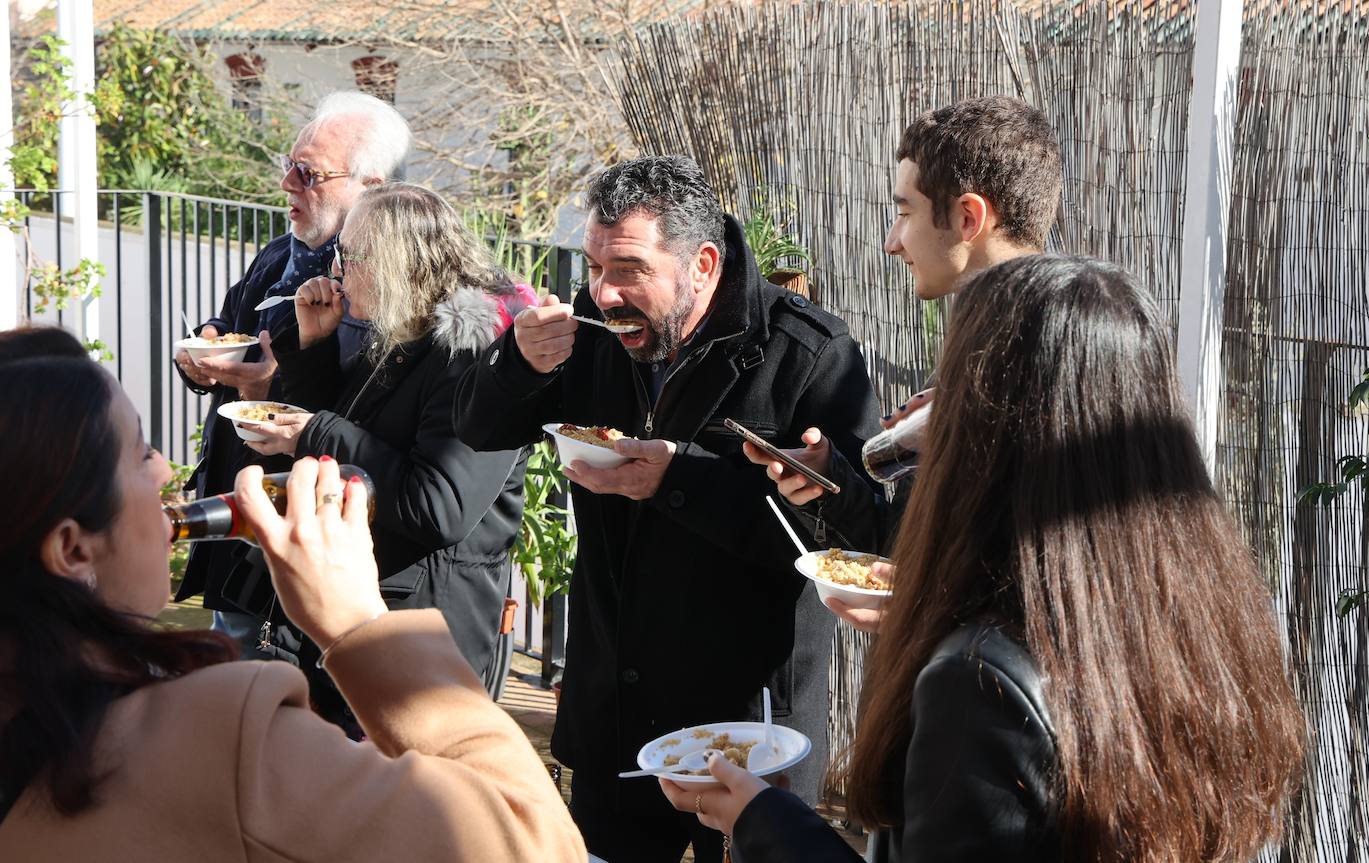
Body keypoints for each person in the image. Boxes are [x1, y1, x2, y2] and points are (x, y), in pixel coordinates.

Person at [660, 256, 1308, 862]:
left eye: (955, 390)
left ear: (989, 429)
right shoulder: (1202, 629)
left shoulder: (979, 682)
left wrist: (766, 820)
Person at [0, 326, 586, 862]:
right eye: (140, 453)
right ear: (72, 550)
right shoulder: (216, 741)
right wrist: (359, 625)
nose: (163, 475)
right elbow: (534, 844)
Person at [454, 155, 883, 862]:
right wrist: (518, 363)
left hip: (751, 729)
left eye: (627, 269)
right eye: (593, 265)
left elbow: (851, 531)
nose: (602, 292)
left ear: (703, 263)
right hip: (615, 719)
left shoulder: (806, 351)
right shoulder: (589, 327)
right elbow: (477, 429)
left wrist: (679, 480)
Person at [744, 96, 1063, 630]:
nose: (892, 242)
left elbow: (1062, 582)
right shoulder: (979, 345)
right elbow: (906, 548)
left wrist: (923, 609)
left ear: (968, 217)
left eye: (904, 213)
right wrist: (829, 487)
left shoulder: (1055, 361)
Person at [241, 183, 534, 724]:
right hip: (370, 614)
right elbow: (342, 450)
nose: (337, 269)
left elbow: (438, 505)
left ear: (396, 264)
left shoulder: (470, 352)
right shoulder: (407, 332)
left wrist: (315, 432)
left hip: (420, 636)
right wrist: (315, 349)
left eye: (350, 255)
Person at [172, 91, 411, 657]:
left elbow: (361, 409)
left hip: (308, 529)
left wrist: (265, 392)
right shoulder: (283, 253)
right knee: (233, 669)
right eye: (289, 166)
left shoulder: (387, 288)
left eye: (308, 173)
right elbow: (231, 323)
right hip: (240, 500)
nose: (287, 185)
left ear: (371, 186)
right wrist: (203, 355)